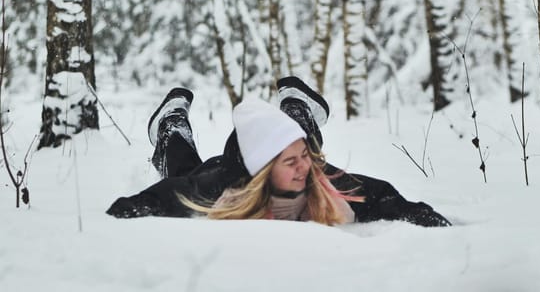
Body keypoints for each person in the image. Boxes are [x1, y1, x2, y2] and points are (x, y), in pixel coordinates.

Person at [107, 77, 451, 227]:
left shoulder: (314, 173)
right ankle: (171, 126)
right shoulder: (219, 189)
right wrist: (129, 209)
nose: (304, 167)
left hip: (275, 149)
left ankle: (297, 108)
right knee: (182, 169)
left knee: (302, 147)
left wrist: (423, 217)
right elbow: (165, 195)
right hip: (220, 171)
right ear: (263, 173)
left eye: (302, 158)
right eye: (289, 162)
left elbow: (379, 196)